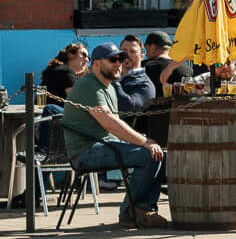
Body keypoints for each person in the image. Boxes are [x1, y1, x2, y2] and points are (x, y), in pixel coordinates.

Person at [55, 42, 167, 226]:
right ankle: (131, 213)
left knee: (159, 154)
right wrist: (145, 142)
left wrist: (145, 142)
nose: (119, 64)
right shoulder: (90, 86)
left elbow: (116, 128)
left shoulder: (109, 87)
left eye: (121, 59)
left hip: (104, 145)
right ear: (97, 64)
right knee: (149, 155)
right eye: (113, 59)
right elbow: (111, 124)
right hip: (85, 152)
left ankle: (143, 209)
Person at [112, 35, 157, 116]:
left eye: (132, 51)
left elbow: (130, 108)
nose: (127, 54)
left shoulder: (145, 84)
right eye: (124, 51)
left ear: (141, 56)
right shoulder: (111, 76)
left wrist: (114, 82)